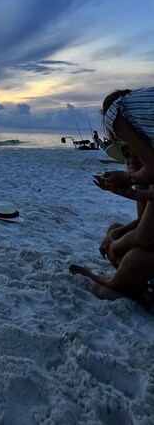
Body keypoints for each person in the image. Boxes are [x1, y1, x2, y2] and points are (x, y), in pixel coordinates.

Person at [69, 88, 154, 301]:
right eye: (127, 153)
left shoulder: (119, 113)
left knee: (134, 255)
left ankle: (119, 287)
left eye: (137, 152)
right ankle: (130, 280)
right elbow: (144, 222)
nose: (133, 159)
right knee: (115, 229)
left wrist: (117, 244)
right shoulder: (147, 182)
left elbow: (145, 236)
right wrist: (118, 234)